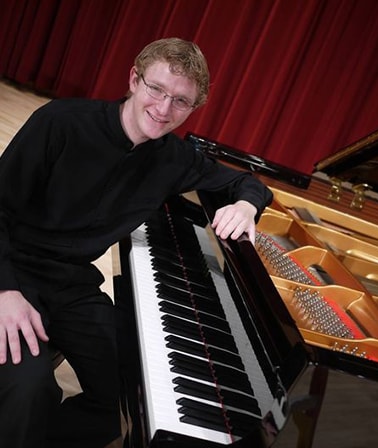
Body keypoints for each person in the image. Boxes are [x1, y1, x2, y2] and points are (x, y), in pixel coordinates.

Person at [0, 37, 273, 448]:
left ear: (194, 107)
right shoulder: (61, 121)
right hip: (14, 271)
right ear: (133, 79)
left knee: (136, 394)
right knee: (29, 389)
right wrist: (5, 290)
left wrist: (248, 207)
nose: (163, 110)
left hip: (73, 286)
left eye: (180, 102)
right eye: (156, 89)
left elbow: (246, 182)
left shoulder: (173, 159)